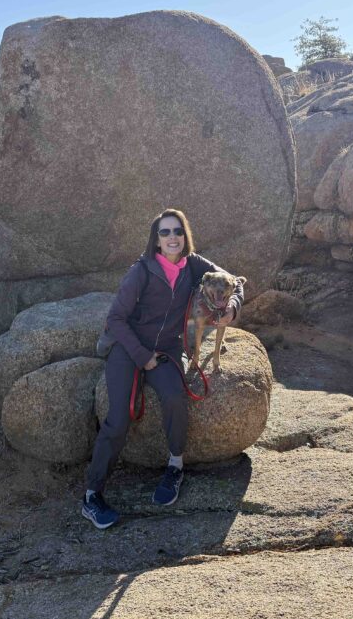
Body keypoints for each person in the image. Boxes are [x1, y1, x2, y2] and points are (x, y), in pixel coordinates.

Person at [81, 208, 244, 529]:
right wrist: (143, 356)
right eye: (165, 232)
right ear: (156, 240)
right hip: (127, 348)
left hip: (168, 349)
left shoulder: (195, 265)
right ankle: (91, 496)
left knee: (174, 397)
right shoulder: (140, 272)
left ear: (185, 237)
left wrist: (232, 310)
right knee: (119, 417)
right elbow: (115, 319)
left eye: (178, 232)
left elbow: (236, 283)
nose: (173, 238)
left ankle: (174, 467)